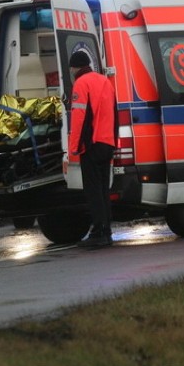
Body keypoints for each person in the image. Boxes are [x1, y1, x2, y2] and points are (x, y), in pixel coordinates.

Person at [68, 50, 117, 248]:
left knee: (93, 190)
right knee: (104, 189)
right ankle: (106, 231)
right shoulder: (105, 81)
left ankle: (98, 231)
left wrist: (74, 148)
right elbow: (114, 112)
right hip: (107, 141)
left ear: (74, 67)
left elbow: (79, 118)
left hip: (92, 144)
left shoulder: (81, 83)